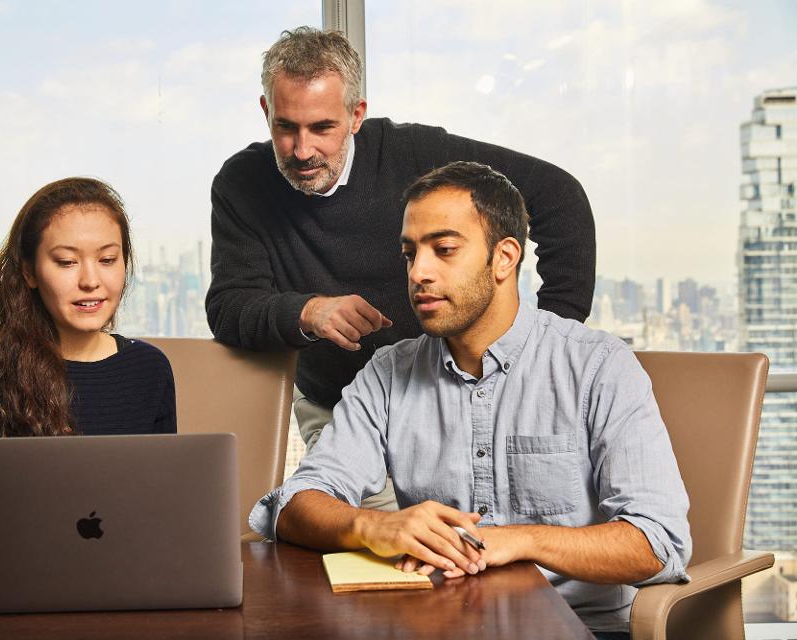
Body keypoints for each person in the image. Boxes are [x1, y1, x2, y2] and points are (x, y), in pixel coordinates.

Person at [249, 162, 690, 638]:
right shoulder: (388, 373)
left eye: (443, 250)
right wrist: (373, 527)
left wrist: (517, 541)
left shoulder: (598, 366)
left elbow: (657, 543)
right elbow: (293, 505)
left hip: (580, 628)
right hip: (439, 626)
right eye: (409, 254)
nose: (419, 272)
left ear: (504, 258)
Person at [206, 28, 596, 508]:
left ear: (356, 116)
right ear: (266, 112)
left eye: (322, 128)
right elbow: (228, 306)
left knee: (464, 551)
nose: (302, 150)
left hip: (447, 398)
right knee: (365, 550)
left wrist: (542, 341)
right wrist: (308, 312)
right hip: (339, 407)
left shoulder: (416, 155)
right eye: (286, 128)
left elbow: (560, 198)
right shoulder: (241, 183)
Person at [0, 177, 176, 440]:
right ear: (29, 272)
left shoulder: (150, 368)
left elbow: (166, 475)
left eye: (107, 260)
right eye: (67, 262)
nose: (90, 281)